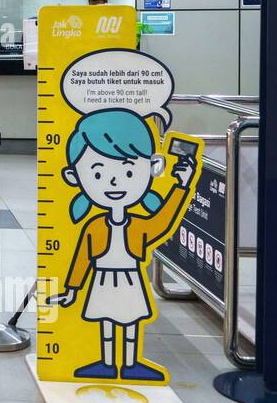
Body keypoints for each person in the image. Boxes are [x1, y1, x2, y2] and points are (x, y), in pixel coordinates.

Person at [48, 108, 196, 381]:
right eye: (97, 173)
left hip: (129, 278)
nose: (114, 181)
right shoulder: (95, 227)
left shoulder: (139, 225)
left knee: (129, 320)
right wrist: (72, 289)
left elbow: (162, 222)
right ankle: (107, 362)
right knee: (107, 320)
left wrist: (181, 187)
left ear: (153, 168)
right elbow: (82, 257)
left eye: (129, 172)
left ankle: (129, 363)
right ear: (74, 177)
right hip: (103, 278)